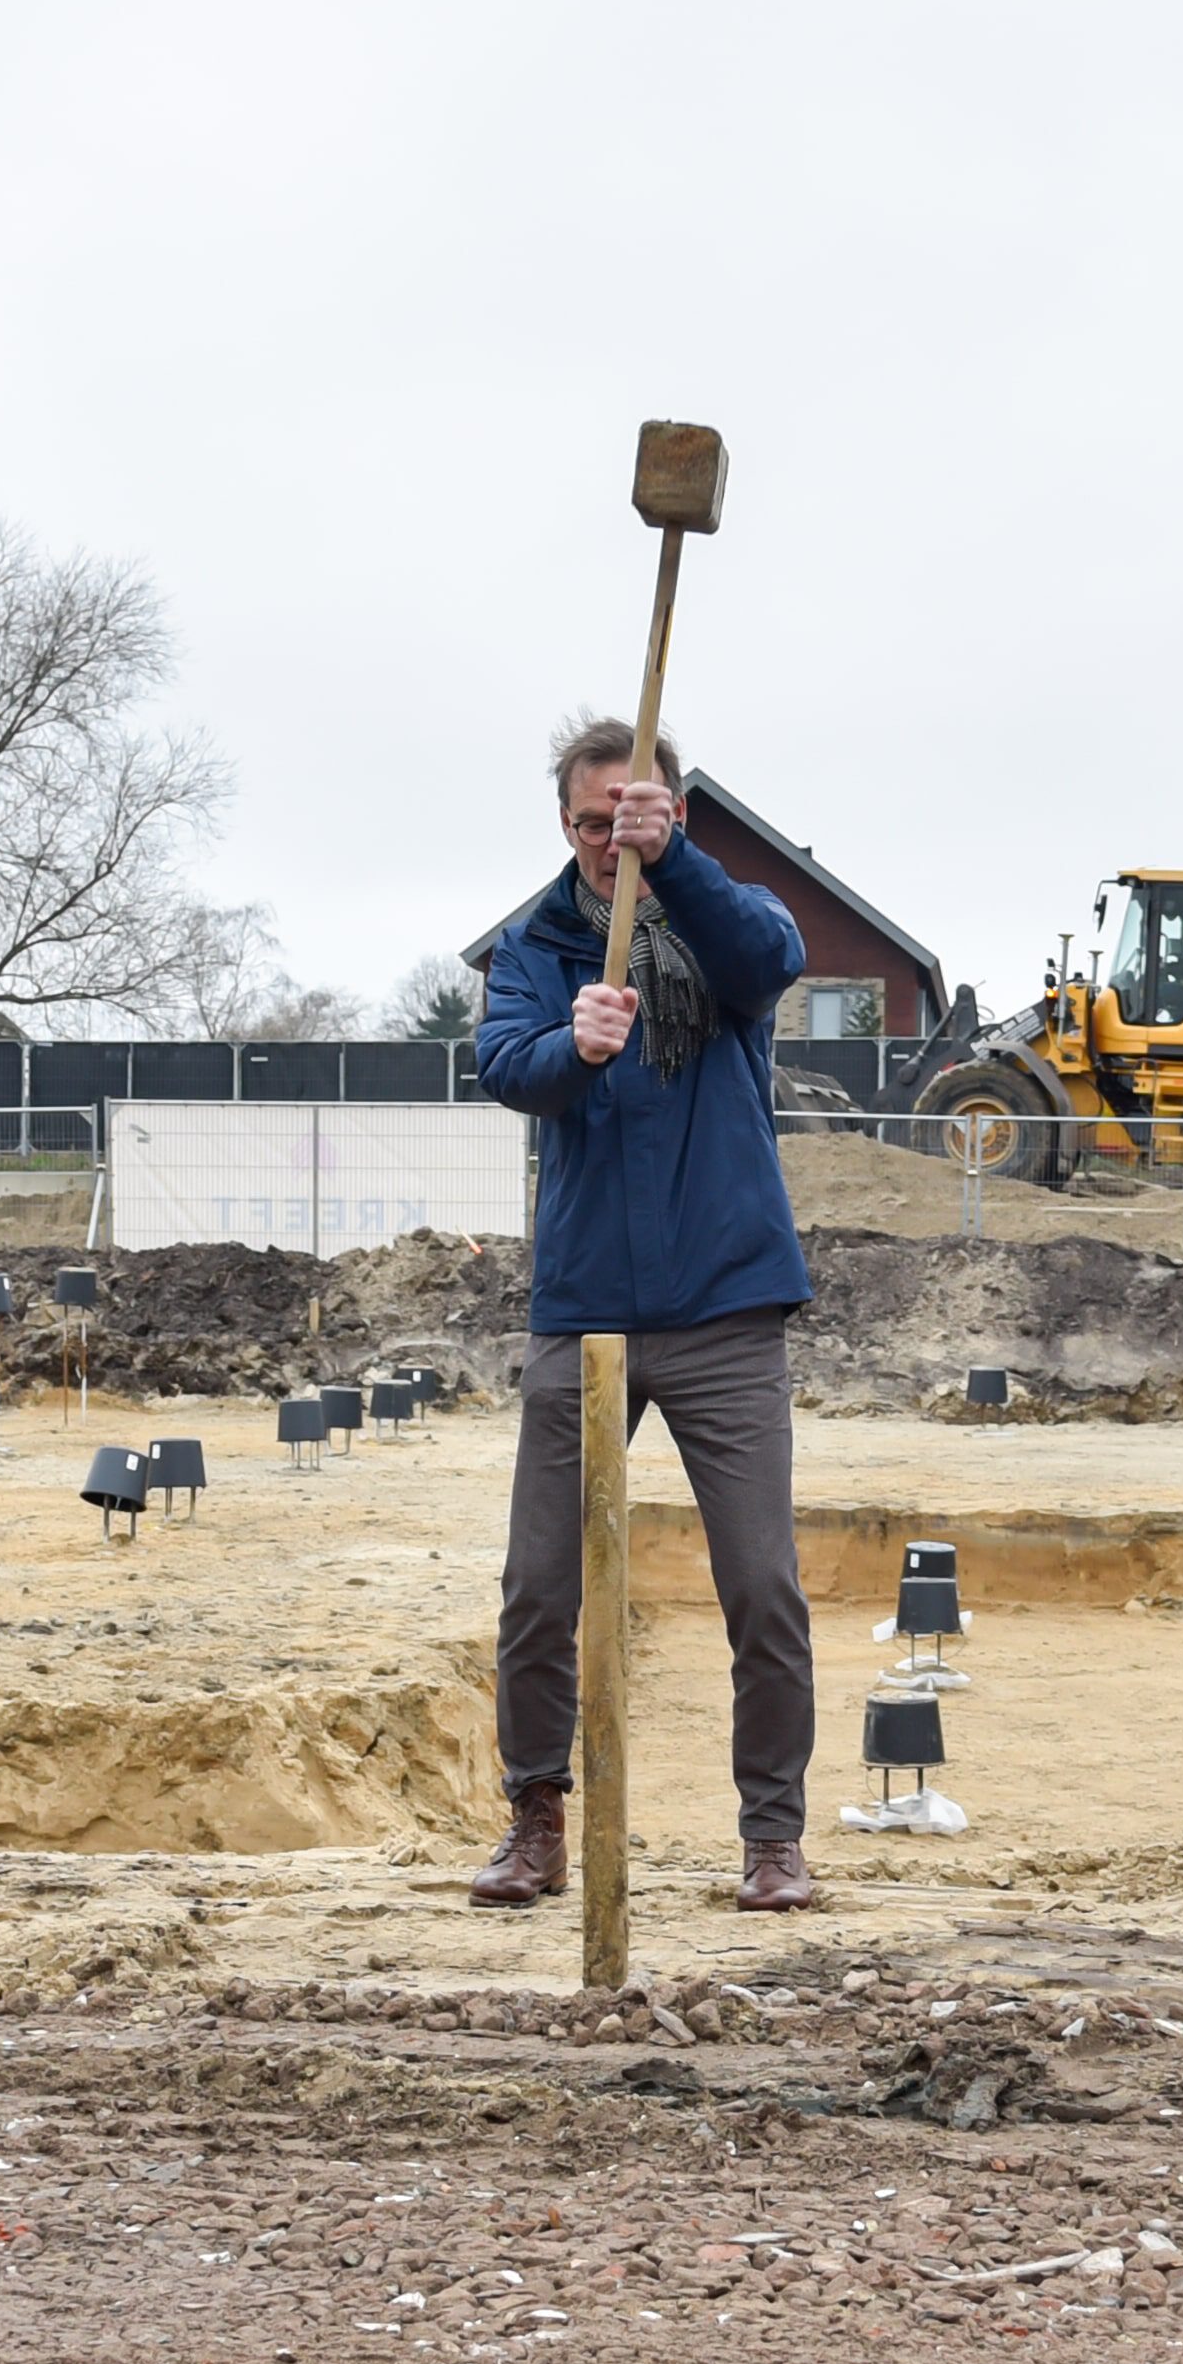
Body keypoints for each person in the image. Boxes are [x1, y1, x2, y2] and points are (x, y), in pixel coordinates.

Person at [467, 712, 824, 1916]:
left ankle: (773, 1837)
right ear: (563, 824)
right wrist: (571, 1046)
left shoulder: (725, 920)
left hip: (727, 1304)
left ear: (667, 813)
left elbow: (767, 964)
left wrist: (677, 860)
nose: (609, 840)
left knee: (763, 1586)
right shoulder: (535, 945)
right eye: (591, 820)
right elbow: (505, 1066)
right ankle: (536, 1820)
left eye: (634, 816)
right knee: (536, 1587)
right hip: (586, 1312)